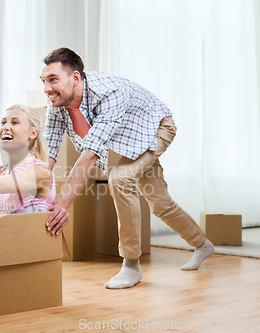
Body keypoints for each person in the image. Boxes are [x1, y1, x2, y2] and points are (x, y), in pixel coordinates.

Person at [40, 47, 214, 289]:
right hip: (129, 141)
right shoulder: (58, 101)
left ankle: (131, 265)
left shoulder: (109, 92)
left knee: (119, 179)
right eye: (44, 81)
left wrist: (61, 205)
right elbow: (50, 145)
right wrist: (38, 185)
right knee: (160, 202)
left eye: (53, 80)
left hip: (156, 128)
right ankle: (202, 244)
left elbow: (90, 156)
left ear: (75, 78)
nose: (47, 88)